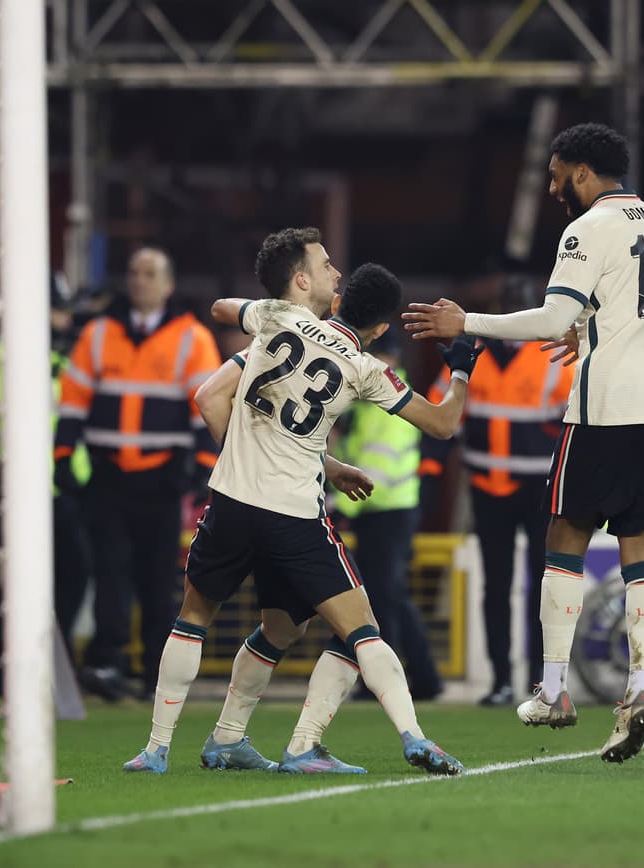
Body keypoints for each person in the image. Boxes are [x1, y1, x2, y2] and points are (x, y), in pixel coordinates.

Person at [123, 226, 477, 777]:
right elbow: (443, 423)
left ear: (339, 300)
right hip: (292, 515)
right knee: (359, 628)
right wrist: (461, 368)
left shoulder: (275, 321)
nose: (334, 269)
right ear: (381, 328)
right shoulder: (365, 368)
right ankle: (393, 737)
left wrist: (297, 459)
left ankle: (167, 748)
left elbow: (216, 348)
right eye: (325, 262)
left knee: (219, 621)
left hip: (231, 501)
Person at [404, 122, 644, 764]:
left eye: (557, 173)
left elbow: (549, 317)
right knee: (641, 550)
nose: (552, 185)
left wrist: (466, 321)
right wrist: (588, 331)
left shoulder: (588, 228)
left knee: (565, 537)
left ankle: (555, 690)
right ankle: (640, 689)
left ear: (583, 172)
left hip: (606, 412)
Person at [54, 247, 221, 701]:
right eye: (133, 272)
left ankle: (155, 672)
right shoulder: (98, 333)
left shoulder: (191, 337)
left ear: (168, 284)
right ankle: (108, 665)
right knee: (109, 574)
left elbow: (208, 405)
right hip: (107, 476)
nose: (139, 280)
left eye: (149, 273)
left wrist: (202, 468)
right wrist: (63, 455)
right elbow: (73, 399)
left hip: (163, 479)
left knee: (156, 580)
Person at [420, 274, 574, 706]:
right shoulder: (471, 352)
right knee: (496, 587)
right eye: (509, 304)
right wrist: (429, 474)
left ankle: (543, 680)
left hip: (541, 491)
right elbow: (437, 413)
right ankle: (502, 681)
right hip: (487, 490)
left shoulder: (554, 355)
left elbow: (579, 421)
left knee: (544, 586)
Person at [331, 328, 442, 702]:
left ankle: (383, 681)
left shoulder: (390, 400)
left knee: (381, 597)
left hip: (387, 509)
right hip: (379, 508)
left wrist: (339, 504)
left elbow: (378, 467)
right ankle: (424, 678)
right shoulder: (370, 402)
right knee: (390, 595)